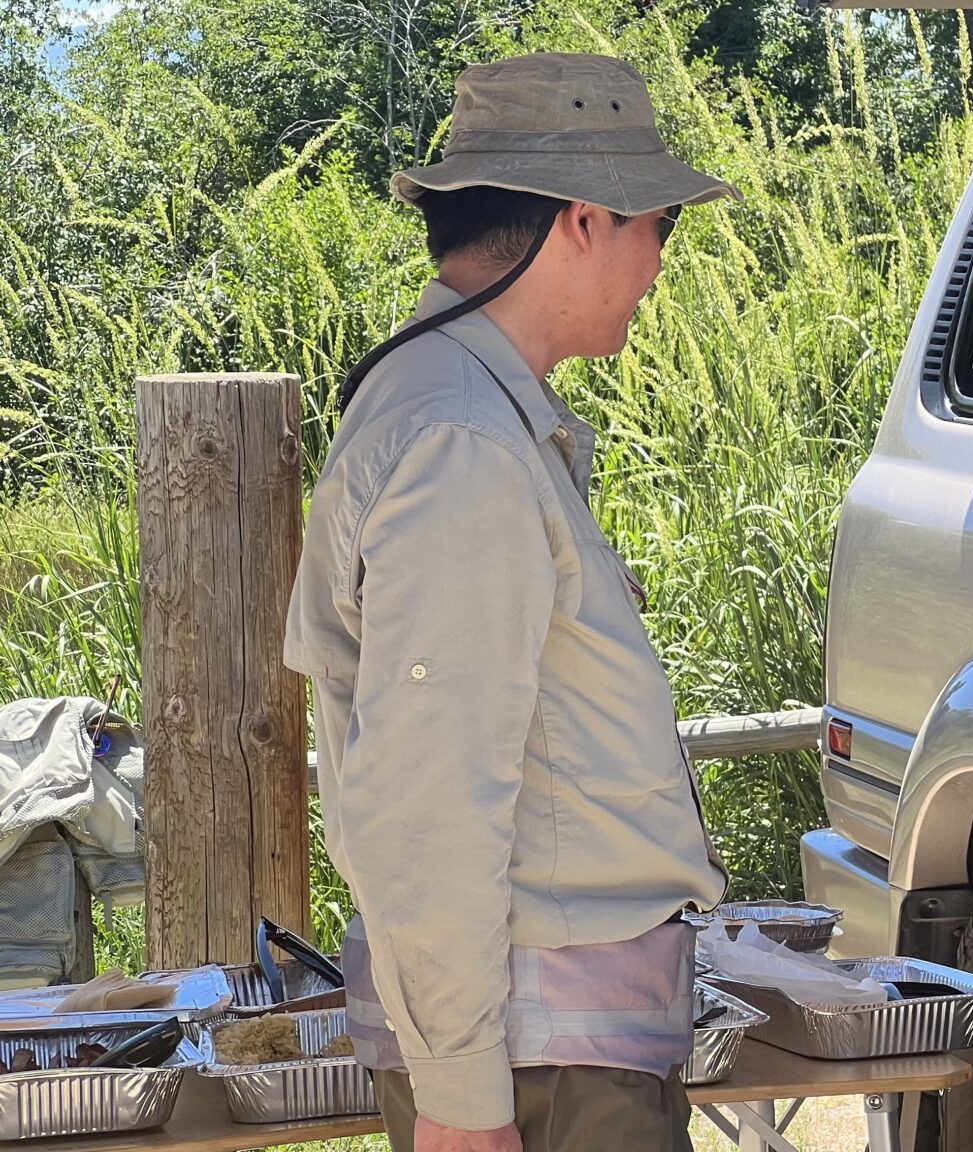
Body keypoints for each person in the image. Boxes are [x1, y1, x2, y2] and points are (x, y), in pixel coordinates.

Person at [283, 52, 736, 1152]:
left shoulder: (467, 407)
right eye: (657, 226)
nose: (660, 264)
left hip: (554, 1049)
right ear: (584, 220)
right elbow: (427, 797)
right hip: (539, 1069)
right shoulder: (461, 441)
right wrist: (464, 1098)